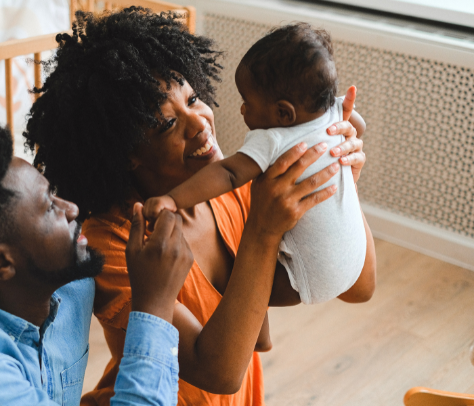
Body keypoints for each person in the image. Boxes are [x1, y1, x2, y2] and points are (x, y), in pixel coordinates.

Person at [24, 7, 375, 405]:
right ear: (127, 154)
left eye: (193, 99)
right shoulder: (113, 244)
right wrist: (263, 231)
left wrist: (339, 179)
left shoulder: (231, 188)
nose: (200, 122)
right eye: (167, 124)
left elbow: (358, 287)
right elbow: (219, 373)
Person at [0, 120, 195, 406]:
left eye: (54, 193)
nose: (72, 209)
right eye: (49, 207)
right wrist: (154, 304)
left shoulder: (70, 287)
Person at [143, 23, 374, 305]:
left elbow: (228, 173)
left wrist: (171, 199)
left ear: (283, 113)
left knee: (248, 288)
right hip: (353, 255)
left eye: (247, 102)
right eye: (169, 123)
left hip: (311, 275)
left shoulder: (273, 139)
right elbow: (358, 125)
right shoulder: (333, 111)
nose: (242, 109)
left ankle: (235, 305)